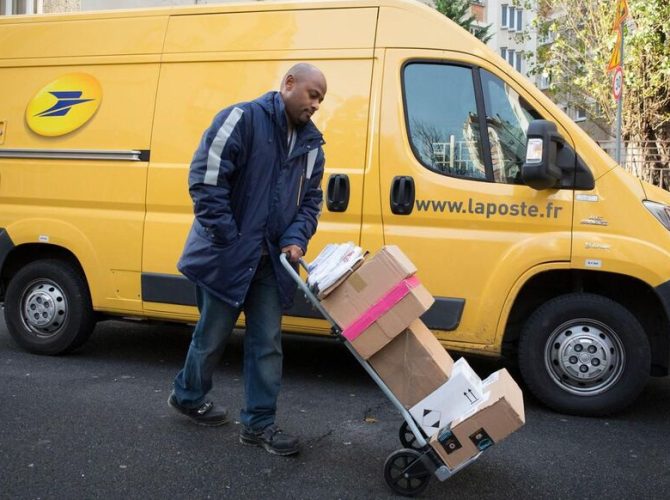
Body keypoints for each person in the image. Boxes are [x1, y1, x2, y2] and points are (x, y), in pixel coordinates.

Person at [168, 63, 327, 457]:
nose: (317, 105)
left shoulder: (312, 147)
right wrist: (229, 237)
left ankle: (258, 424)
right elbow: (206, 178)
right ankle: (188, 395)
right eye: (313, 94)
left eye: (321, 99)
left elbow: (310, 203)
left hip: (271, 263)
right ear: (289, 84)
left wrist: (294, 239)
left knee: (267, 342)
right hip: (226, 255)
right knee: (211, 336)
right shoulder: (241, 118)